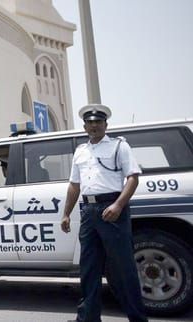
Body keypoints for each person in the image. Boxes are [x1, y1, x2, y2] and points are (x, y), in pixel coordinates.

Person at [61, 104, 147, 322]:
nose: (94, 126)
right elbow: (74, 184)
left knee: (122, 269)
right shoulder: (80, 151)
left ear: (105, 124)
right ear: (84, 126)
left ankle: (137, 318)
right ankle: (87, 318)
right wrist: (66, 214)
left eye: (98, 122)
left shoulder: (119, 146)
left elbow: (133, 177)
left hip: (112, 210)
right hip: (89, 211)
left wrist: (118, 205)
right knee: (89, 268)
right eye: (90, 122)